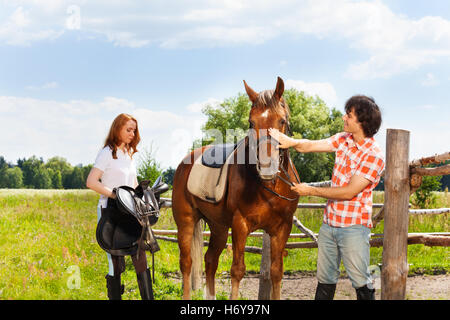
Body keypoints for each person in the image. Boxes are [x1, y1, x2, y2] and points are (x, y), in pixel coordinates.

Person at [269, 95, 385, 300]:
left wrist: (310, 191)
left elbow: (349, 191)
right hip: (329, 224)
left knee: (361, 281)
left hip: (353, 227)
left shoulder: (373, 155)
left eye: (348, 115)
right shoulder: (343, 139)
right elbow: (311, 145)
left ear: (362, 122)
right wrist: (291, 142)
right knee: (325, 280)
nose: (343, 118)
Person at [86, 113, 153, 300]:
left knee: (140, 258)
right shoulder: (107, 152)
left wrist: (141, 195)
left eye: (134, 130)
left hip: (131, 212)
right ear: (117, 129)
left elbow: (132, 182)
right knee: (115, 262)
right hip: (110, 211)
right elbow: (91, 181)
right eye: (128, 130)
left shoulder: (129, 154)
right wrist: (116, 195)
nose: (132, 134)